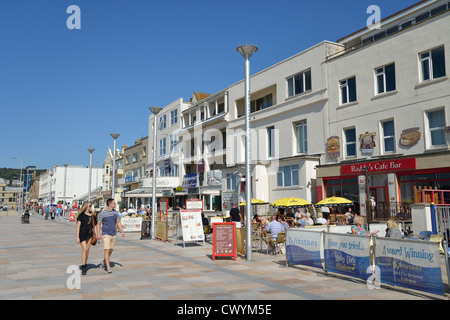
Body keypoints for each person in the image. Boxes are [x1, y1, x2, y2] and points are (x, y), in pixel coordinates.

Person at [96, 198, 124, 274]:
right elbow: (98, 224)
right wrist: (98, 233)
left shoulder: (116, 213)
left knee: (111, 250)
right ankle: (108, 267)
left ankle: (105, 260)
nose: (115, 204)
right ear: (110, 204)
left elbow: (118, 222)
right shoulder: (102, 213)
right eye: (114, 203)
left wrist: (122, 231)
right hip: (106, 234)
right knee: (106, 250)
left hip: (113, 234)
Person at [76, 201, 97, 275]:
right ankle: (84, 266)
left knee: (87, 250)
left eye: (91, 205)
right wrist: (77, 237)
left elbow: (94, 226)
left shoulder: (92, 216)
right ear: (86, 207)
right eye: (90, 206)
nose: (91, 207)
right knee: (84, 249)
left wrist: (96, 234)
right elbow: (78, 226)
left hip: (89, 235)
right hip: (82, 235)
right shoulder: (81, 216)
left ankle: (85, 263)